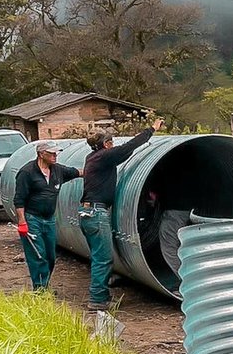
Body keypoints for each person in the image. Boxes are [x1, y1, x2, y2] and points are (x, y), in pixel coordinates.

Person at [79, 119, 165, 310]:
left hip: (88, 212)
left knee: (99, 256)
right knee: (103, 258)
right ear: (105, 144)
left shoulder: (91, 157)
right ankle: (98, 300)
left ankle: (100, 294)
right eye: (111, 143)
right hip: (95, 212)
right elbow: (130, 147)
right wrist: (151, 129)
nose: (113, 145)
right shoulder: (103, 157)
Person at [13, 141, 80, 292]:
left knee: (50, 256)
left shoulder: (58, 170)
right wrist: (22, 222)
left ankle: (44, 285)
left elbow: (77, 172)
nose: (55, 156)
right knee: (38, 255)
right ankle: (40, 290)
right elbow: (19, 199)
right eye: (52, 153)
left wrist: (96, 169)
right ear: (41, 154)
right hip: (32, 218)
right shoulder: (27, 172)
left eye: (56, 153)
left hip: (49, 219)